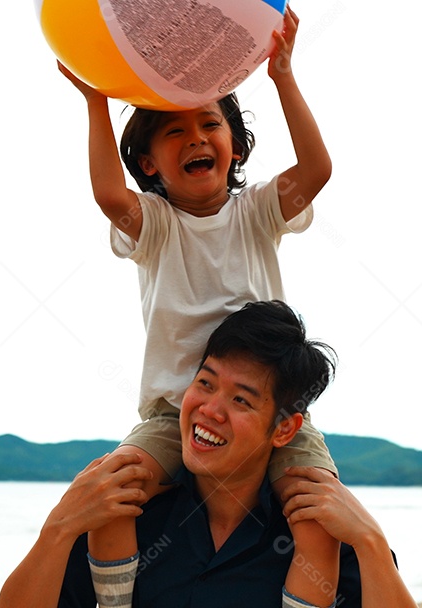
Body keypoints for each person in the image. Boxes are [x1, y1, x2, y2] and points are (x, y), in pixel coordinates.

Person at [59, 6, 340, 607]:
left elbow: (317, 170)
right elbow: (110, 194)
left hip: (270, 410)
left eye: (209, 124)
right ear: (149, 165)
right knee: (112, 489)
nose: (195, 137)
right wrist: (95, 104)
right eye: (173, 131)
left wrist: (283, 77)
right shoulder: (156, 225)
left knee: (318, 515)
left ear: (235, 147)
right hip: (172, 414)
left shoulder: (259, 212)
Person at [0, 301, 418, 608]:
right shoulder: (125, 510)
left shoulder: (322, 537)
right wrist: (56, 529)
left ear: (284, 428)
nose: (210, 410)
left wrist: (372, 542)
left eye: (241, 400)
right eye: (205, 383)